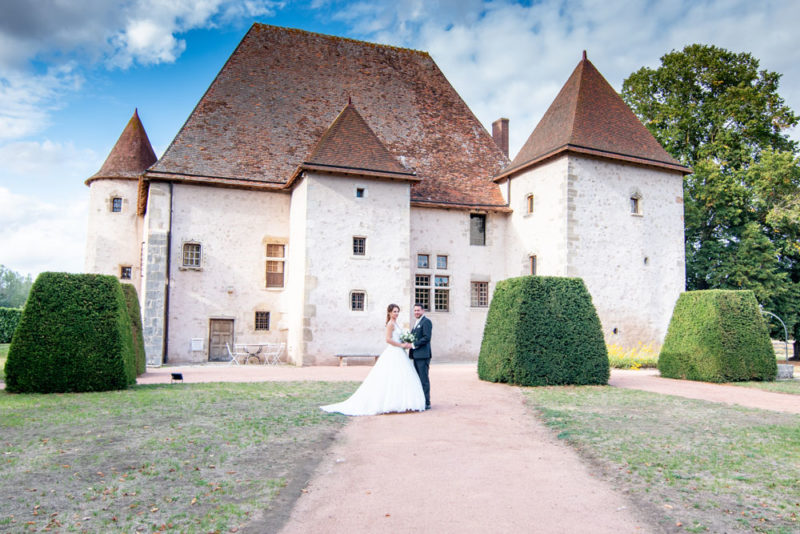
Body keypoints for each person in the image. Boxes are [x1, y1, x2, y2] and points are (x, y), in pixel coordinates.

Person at [321, 304, 426, 416]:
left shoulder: (396, 323)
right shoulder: (390, 324)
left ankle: (401, 402)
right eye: (394, 311)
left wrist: (405, 341)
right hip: (394, 351)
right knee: (390, 377)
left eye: (397, 311)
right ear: (389, 313)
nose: (396, 313)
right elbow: (388, 339)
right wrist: (401, 345)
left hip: (400, 353)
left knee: (401, 377)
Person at [408, 303, 432, 410]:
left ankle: (427, 402)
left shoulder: (426, 322)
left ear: (423, 311)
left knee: (423, 379)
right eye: (415, 310)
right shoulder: (417, 322)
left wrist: (413, 344)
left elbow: (427, 338)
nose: (416, 312)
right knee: (417, 379)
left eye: (418, 310)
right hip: (416, 355)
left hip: (423, 355)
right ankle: (420, 400)